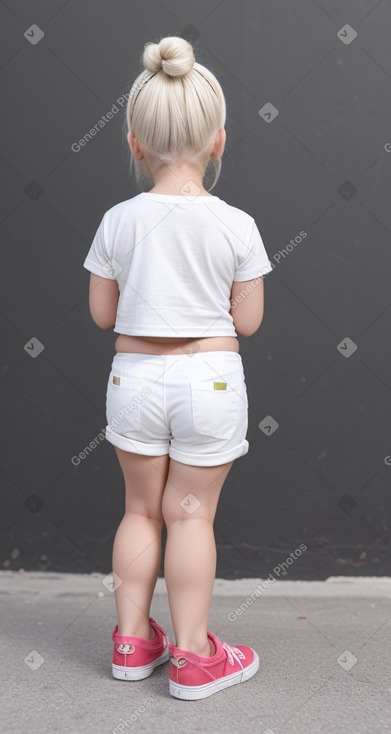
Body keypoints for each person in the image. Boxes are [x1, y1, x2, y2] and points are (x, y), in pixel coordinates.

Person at [83, 35, 273, 701]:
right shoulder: (237, 225)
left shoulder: (116, 222)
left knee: (140, 509)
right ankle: (194, 656)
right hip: (209, 382)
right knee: (189, 514)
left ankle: (132, 641)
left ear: (134, 142)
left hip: (133, 381)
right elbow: (245, 322)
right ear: (217, 140)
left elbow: (103, 315)